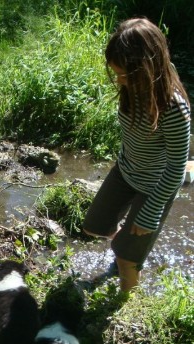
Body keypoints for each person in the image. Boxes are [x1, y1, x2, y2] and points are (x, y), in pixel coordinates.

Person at [83, 18, 191, 292]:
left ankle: (125, 299)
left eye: (124, 75)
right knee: (94, 225)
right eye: (117, 73)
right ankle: (127, 244)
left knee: (127, 260)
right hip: (125, 171)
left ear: (147, 69)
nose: (119, 81)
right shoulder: (134, 88)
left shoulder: (174, 109)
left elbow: (176, 169)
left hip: (155, 187)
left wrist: (150, 213)